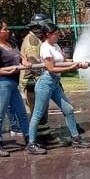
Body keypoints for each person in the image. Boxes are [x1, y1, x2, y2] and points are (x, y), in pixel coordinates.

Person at [26, 24, 90, 155]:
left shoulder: (55, 46)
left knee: (68, 109)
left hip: (55, 83)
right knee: (38, 114)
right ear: (48, 35)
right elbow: (51, 68)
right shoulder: (45, 48)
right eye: (56, 34)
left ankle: (76, 139)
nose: (58, 36)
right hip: (46, 82)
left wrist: (79, 63)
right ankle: (31, 144)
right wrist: (71, 68)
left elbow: (64, 60)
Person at [0, 20, 32, 158]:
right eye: (4, 29)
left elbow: (20, 58)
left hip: (13, 84)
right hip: (2, 84)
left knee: (22, 113)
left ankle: (30, 141)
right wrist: (7, 72)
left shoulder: (11, 43)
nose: (8, 31)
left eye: (7, 28)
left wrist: (25, 63)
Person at [21, 16, 55, 145]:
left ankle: (45, 136)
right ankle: (35, 140)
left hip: (36, 80)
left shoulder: (36, 39)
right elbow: (33, 61)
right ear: (37, 27)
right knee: (38, 111)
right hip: (31, 81)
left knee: (42, 110)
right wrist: (46, 73)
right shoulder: (32, 40)